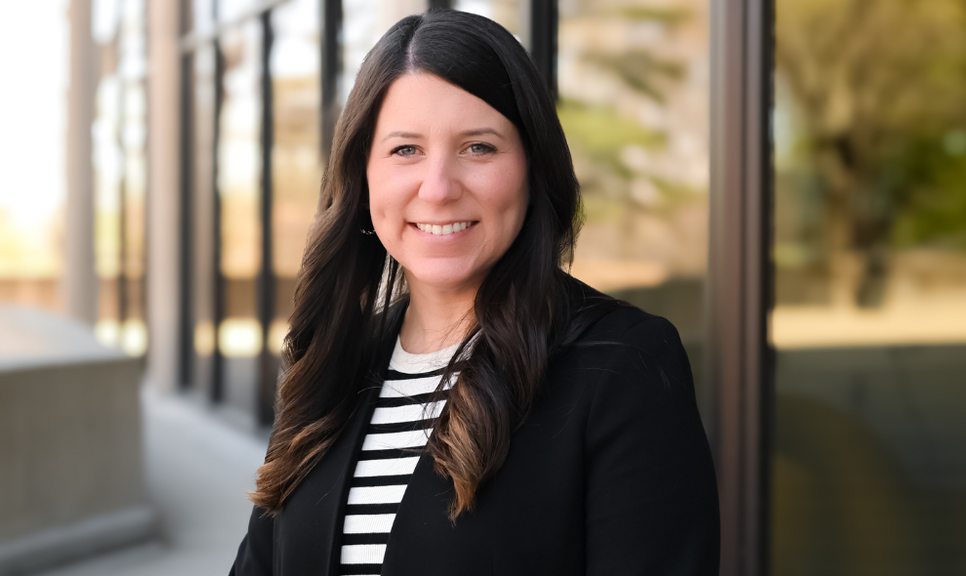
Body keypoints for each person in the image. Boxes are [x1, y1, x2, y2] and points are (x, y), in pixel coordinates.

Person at [230, 9, 719, 576]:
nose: (437, 189)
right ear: (363, 175)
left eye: (478, 147)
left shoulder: (624, 366)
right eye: (405, 150)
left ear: (533, 168)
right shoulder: (332, 364)